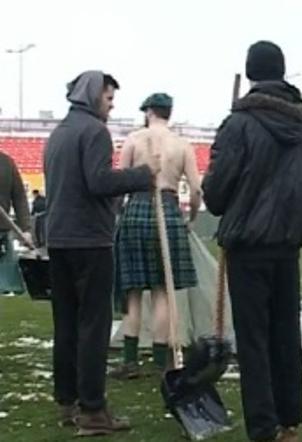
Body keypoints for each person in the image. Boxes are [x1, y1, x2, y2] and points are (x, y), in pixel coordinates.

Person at [201, 40, 302, 442]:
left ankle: (264, 427)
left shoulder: (238, 125)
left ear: (251, 73)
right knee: (287, 334)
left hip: (249, 244)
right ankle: (290, 422)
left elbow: (215, 196)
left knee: (253, 340)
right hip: (287, 242)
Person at [44, 70, 158, 435]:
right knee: (93, 327)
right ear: (94, 95)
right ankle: (93, 410)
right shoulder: (94, 132)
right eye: (109, 98)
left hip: (59, 241)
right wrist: (141, 175)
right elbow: (98, 182)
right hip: (90, 242)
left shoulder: (59, 133)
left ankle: (68, 401)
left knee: (66, 325)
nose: (112, 105)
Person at [109, 93, 201, 379]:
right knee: (163, 291)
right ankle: (162, 360)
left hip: (136, 210)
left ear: (149, 112)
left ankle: (130, 361)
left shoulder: (134, 140)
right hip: (170, 210)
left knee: (132, 292)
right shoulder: (182, 144)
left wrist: (117, 216)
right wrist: (192, 218)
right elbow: (196, 190)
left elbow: (120, 182)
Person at [0, 151, 32, 293]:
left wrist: (26, 229)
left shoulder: (6, 163)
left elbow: (19, 198)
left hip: (3, 234)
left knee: (10, 289)